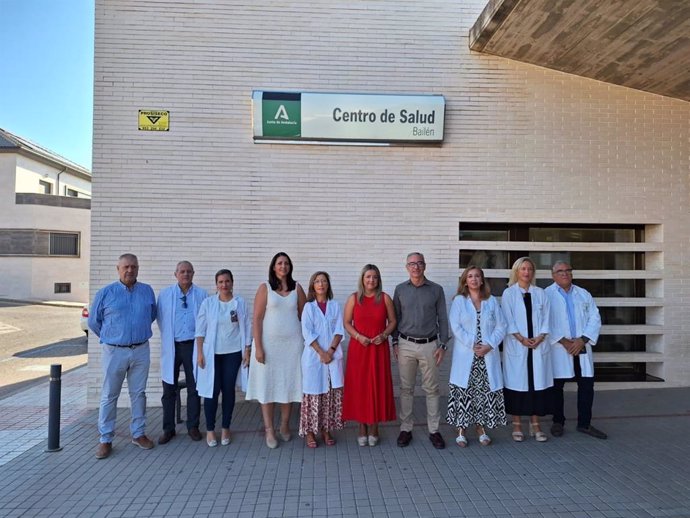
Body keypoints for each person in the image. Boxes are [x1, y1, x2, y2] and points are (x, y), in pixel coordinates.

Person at [88, 253, 157, 459]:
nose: (130, 270)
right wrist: (112, 337)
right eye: (126, 267)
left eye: (133, 267)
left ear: (138, 268)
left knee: (139, 394)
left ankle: (138, 433)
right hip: (114, 350)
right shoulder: (106, 293)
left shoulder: (147, 291)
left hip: (140, 350)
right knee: (110, 395)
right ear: (118, 269)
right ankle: (105, 439)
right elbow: (93, 321)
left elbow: (151, 315)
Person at [246, 252, 306, 448]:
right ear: (273, 267)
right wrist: (258, 348)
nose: (283, 266)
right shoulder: (265, 288)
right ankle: (269, 430)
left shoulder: (297, 288)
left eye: (286, 263)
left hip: (292, 347)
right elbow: (256, 318)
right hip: (268, 347)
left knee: (289, 385)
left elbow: (305, 318)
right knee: (268, 386)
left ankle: (284, 425)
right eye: (279, 263)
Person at [392, 252, 450, 449]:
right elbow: (395, 319)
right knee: (406, 389)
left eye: (419, 263)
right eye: (411, 264)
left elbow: (442, 318)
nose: (415, 267)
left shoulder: (436, 290)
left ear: (424, 266)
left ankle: (434, 430)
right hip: (405, 344)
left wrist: (443, 345)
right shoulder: (400, 290)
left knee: (432, 389)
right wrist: (394, 343)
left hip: (430, 345)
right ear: (406, 267)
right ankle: (406, 428)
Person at [545, 261, 607, 439]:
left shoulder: (583, 294)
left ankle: (584, 424)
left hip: (582, 346)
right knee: (557, 388)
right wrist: (563, 341)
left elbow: (595, 317)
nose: (564, 274)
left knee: (586, 386)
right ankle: (558, 422)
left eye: (567, 270)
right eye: (560, 271)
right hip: (559, 347)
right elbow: (544, 322)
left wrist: (583, 339)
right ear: (553, 275)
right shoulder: (546, 295)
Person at [447, 266, 507, 447]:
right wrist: (473, 344)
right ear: (465, 281)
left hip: (487, 355)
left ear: (482, 280)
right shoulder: (459, 301)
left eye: (477, 276)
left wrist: (489, 345)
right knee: (464, 393)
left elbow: (502, 325)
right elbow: (455, 326)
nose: (474, 279)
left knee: (483, 393)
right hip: (468, 354)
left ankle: (481, 429)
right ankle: (461, 430)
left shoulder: (491, 302)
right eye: (470, 276)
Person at [195, 269, 251, 447]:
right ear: (216, 285)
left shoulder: (239, 303)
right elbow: (200, 330)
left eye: (227, 281)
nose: (224, 285)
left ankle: (226, 427)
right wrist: (200, 353)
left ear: (232, 283)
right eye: (220, 282)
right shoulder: (208, 303)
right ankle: (210, 430)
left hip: (233, 353)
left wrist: (247, 350)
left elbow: (247, 327)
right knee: (212, 392)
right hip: (212, 354)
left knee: (228, 391)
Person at [342, 264, 397, 446]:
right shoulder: (353, 299)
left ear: (378, 279)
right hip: (360, 348)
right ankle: (361, 426)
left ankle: (374, 426)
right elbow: (347, 323)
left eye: (374, 277)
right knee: (360, 386)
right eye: (368, 277)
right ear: (362, 279)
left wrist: (384, 335)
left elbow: (393, 321)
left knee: (376, 385)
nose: (371, 280)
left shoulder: (385, 298)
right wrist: (358, 336)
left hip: (378, 348)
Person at [501, 256, 553, 442]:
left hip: (538, 345)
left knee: (536, 386)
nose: (526, 272)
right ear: (517, 271)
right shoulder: (509, 293)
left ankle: (535, 425)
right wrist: (521, 338)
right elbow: (507, 319)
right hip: (518, 345)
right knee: (518, 386)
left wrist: (540, 337)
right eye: (523, 269)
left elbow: (547, 318)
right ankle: (517, 425)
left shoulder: (540, 293)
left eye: (530, 269)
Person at [156, 260, 207, 444]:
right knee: (168, 387)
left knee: (195, 387)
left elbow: (205, 319)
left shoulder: (201, 294)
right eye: (182, 271)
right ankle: (168, 429)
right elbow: (161, 318)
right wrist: (170, 337)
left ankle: (193, 426)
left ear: (193, 274)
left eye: (189, 271)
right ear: (175, 274)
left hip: (193, 345)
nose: (185, 274)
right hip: (172, 345)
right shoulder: (165, 294)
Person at [299, 272, 345, 448]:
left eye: (324, 281)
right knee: (313, 394)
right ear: (312, 286)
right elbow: (307, 332)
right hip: (314, 358)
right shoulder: (309, 308)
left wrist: (331, 351)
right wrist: (321, 353)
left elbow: (339, 330)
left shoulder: (334, 306)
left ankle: (326, 429)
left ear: (328, 285)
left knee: (329, 394)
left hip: (332, 357)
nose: (321, 284)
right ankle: (310, 432)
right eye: (317, 281)